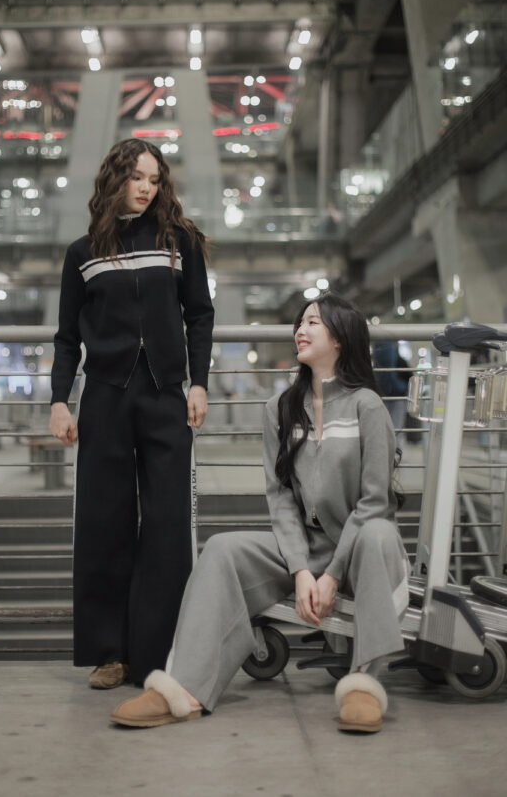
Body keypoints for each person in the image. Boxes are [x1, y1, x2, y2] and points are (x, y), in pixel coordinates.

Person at [111, 292, 410, 733]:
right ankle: (185, 688)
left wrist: (331, 576)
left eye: (313, 323)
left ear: (340, 339)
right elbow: (281, 498)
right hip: (307, 548)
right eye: (300, 323)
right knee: (223, 550)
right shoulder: (280, 410)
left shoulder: (367, 406)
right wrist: (301, 570)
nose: (301, 330)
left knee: (378, 532)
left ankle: (364, 683)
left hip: (362, 549)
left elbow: (374, 502)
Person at [50, 138, 214, 689]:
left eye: (154, 179)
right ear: (115, 179)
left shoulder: (179, 242)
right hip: (105, 398)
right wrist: (59, 400)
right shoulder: (83, 253)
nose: (146, 188)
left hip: (166, 396)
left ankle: (156, 653)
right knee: (104, 522)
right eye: (137, 177)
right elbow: (67, 337)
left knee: (167, 525)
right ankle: (109, 652)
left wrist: (198, 382)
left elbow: (200, 315)